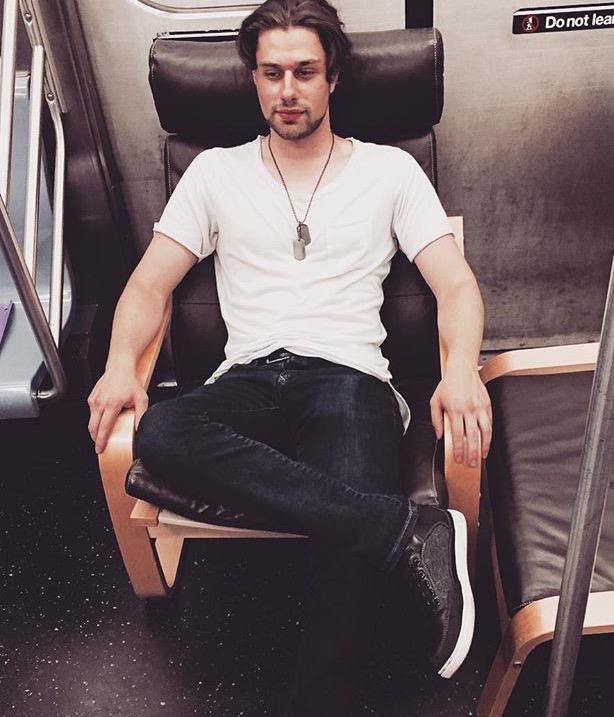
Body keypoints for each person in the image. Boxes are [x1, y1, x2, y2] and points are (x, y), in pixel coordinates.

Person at [87, 0, 492, 713]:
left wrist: (460, 370)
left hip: (349, 380)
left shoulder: (390, 171)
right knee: (162, 430)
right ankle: (401, 529)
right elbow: (149, 283)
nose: (288, 90)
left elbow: (454, 283)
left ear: (333, 77)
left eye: (305, 71)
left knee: (344, 557)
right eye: (272, 73)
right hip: (248, 376)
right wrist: (122, 364)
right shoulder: (214, 173)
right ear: (253, 78)